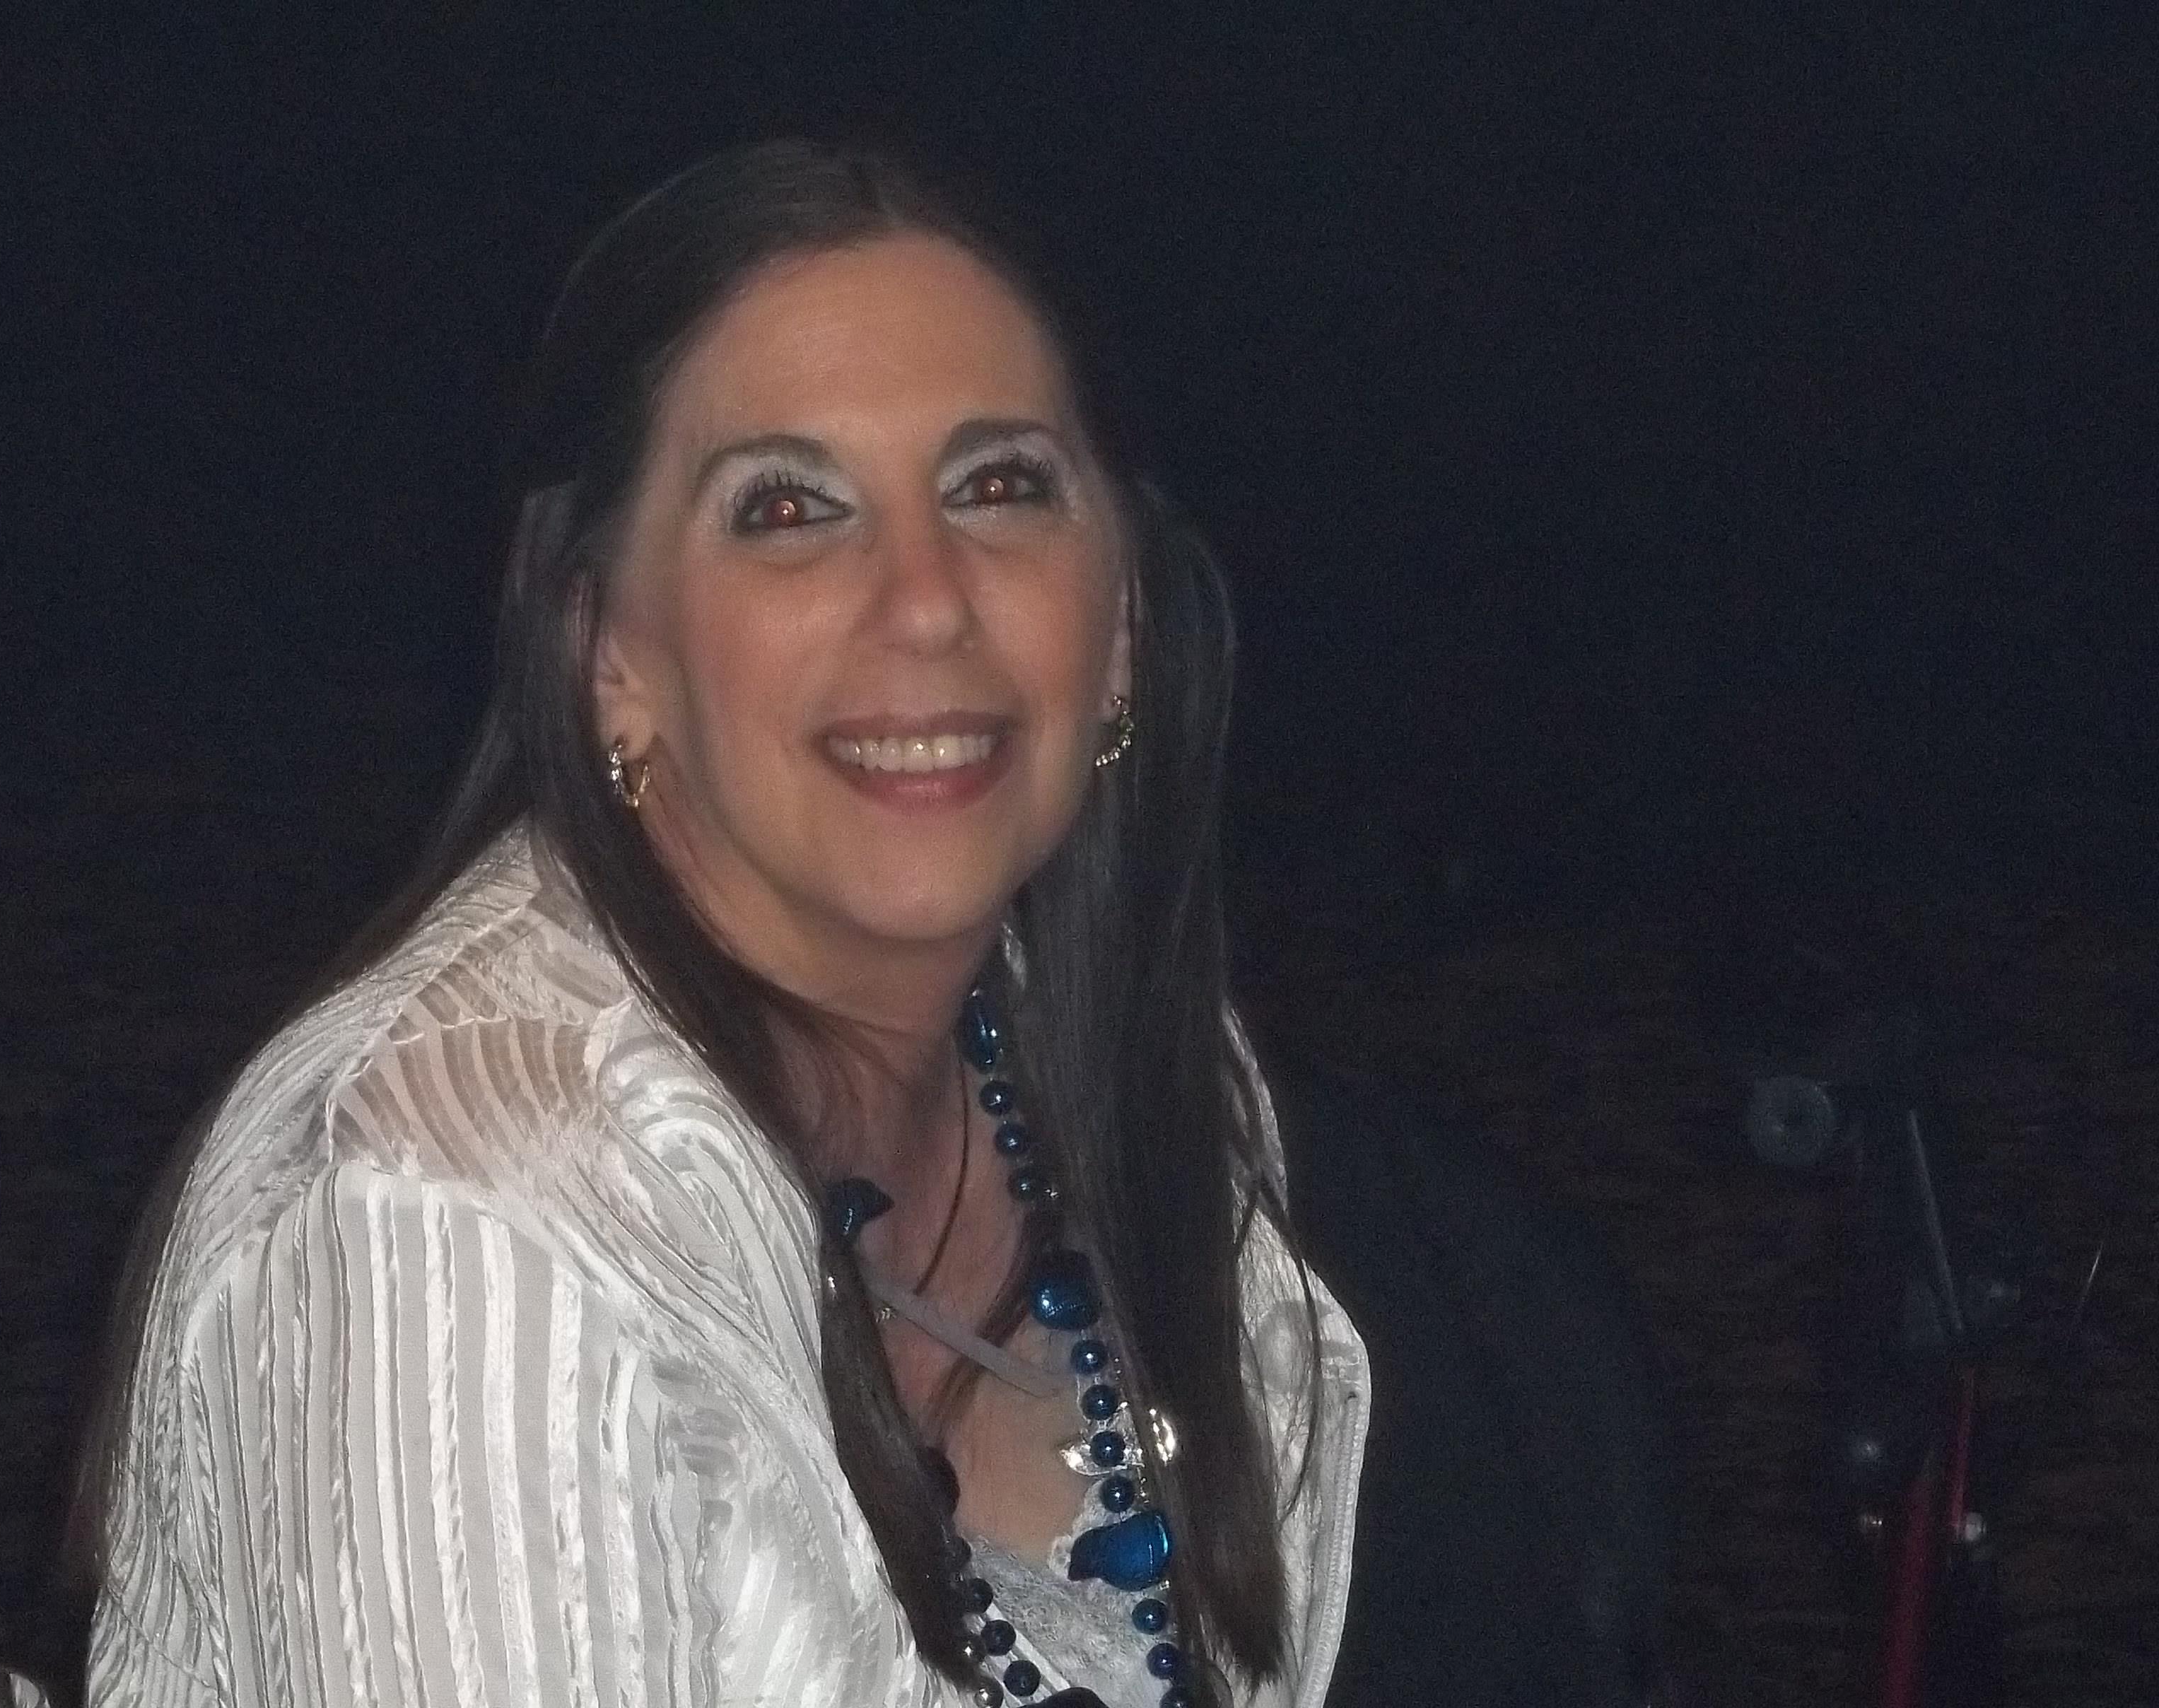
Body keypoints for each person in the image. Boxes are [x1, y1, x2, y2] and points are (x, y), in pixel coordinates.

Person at [76, 140, 1369, 1708]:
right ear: (609, 651)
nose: (924, 598)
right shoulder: (461, 1223)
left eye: (998, 485)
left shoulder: (1104, 1062)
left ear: (1121, 628)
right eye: (785, 507)